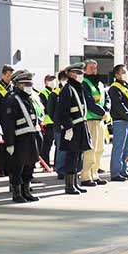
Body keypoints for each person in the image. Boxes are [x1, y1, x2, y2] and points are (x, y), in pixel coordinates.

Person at [0, 70, 43, 203]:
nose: (30, 86)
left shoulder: (28, 98)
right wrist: (10, 143)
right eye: (26, 84)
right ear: (18, 85)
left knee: (29, 166)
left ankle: (26, 191)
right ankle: (17, 193)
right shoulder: (12, 99)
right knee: (18, 168)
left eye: (30, 83)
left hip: (31, 138)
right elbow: (8, 123)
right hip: (19, 140)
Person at [54, 63, 92, 196]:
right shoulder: (67, 89)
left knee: (79, 156)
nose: (81, 75)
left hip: (81, 126)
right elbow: (62, 112)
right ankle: (69, 185)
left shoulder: (78, 87)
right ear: (70, 74)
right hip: (73, 128)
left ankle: (75, 183)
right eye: (78, 72)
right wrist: (68, 127)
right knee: (71, 157)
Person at [107, 65, 128, 182]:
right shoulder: (114, 88)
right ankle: (115, 172)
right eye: (123, 72)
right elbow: (118, 105)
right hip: (120, 120)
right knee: (119, 147)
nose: (126, 73)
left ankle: (124, 170)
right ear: (117, 75)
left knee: (127, 148)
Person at [80, 60, 108, 187]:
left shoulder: (100, 84)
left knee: (99, 149)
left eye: (95, 68)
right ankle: (86, 176)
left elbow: (106, 99)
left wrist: (106, 110)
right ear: (85, 70)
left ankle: (95, 173)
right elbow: (89, 102)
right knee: (90, 149)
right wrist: (103, 112)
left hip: (100, 119)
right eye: (91, 68)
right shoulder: (84, 83)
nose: (94, 70)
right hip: (91, 119)